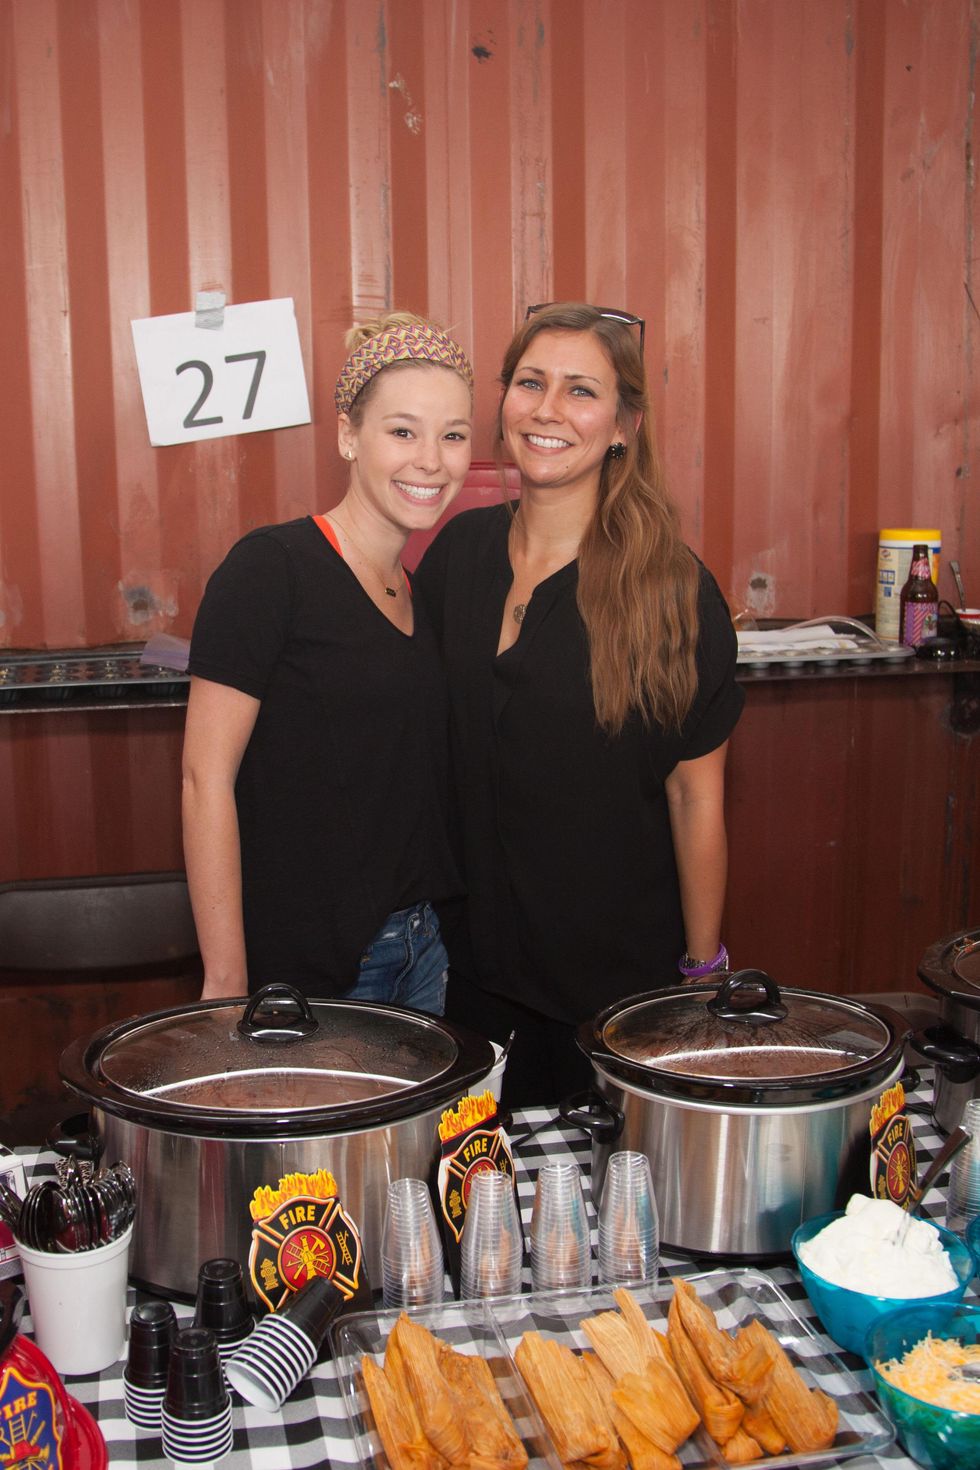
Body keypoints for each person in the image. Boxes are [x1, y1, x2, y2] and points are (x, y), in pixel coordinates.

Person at [414, 301, 744, 1104]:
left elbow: (694, 794)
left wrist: (700, 980)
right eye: (531, 382)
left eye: (581, 391)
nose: (549, 410)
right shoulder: (457, 556)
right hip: (467, 986)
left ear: (624, 424)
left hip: (616, 1000)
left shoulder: (672, 588)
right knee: (475, 1215)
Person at [182, 312, 474, 1006]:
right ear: (348, 435)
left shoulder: (419, 594)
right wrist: (226, 980)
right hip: (313, 968)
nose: (430, 459)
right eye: (402, 431)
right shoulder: (271, 569)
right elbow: (204, 779)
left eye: (453, 436)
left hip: (422, 951)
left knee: (437, 1122)